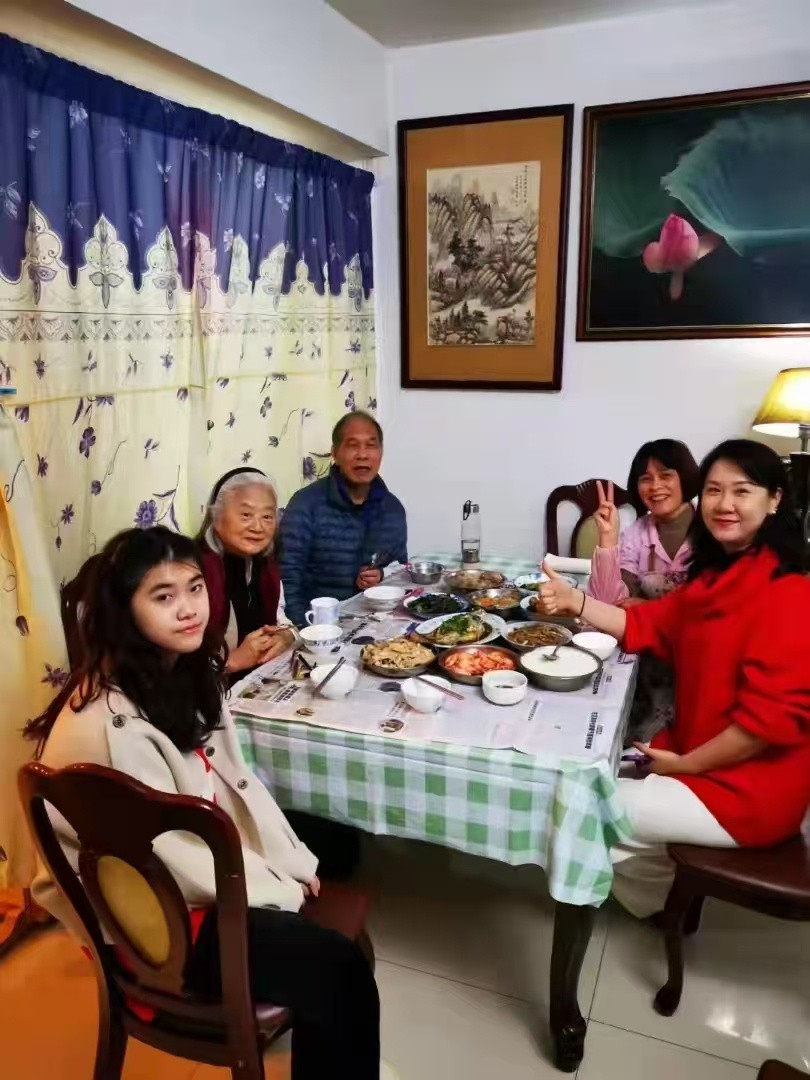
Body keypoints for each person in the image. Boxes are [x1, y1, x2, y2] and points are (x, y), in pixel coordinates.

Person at [25, 527, 391, 1080]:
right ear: (125, 610)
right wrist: (276, 886)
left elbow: (232, 783)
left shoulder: (177, 672)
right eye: (163, 595)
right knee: (338, 968)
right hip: (159, 920)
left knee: (334, 851)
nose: (188, 609)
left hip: (186, 869)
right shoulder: (110, 725)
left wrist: (287, 859)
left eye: (195, 588)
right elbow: (174, 856)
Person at [537, 440, 810, 919]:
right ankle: (663, 902)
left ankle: (648, 905)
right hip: (698, 751)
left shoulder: (790, 592)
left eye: (742, 491)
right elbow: (646, 622)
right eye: (714, 491)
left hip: (747, 791)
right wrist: (573, 600)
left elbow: (760, 729)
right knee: (592, 780)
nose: (724, 504)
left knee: (582, 804)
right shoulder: (717, 575)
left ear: (774, 499)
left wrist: (684, 765)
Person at [588, 440, 701, 741]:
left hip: (697, 663)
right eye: (645, 478)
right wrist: (608, 540)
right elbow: (611, 605)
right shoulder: (637, 534)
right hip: (647, 662)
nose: (655, 486)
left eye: (666, 475)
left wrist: (648, 608)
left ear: (685, 477)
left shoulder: (711, 529)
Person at [279, 412, 407, 626]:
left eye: (371, 445)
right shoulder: (305, 505)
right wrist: (304, 629)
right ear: (335, 454)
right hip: (318, 627)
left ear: (381, 452)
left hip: (378, 625)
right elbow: (288, 579)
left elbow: (400, 572)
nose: (362, 455)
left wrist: (381, 574)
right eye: (352, 445)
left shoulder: (393, 509)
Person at [198, 467, 296, 675]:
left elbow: (281, 620)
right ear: (216, 516)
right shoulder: (194, 573)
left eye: (267, 517)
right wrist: (232, 661)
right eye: (246, 515)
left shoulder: (265, 565)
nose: (258, 527)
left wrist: (287, 636)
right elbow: (174, 664)